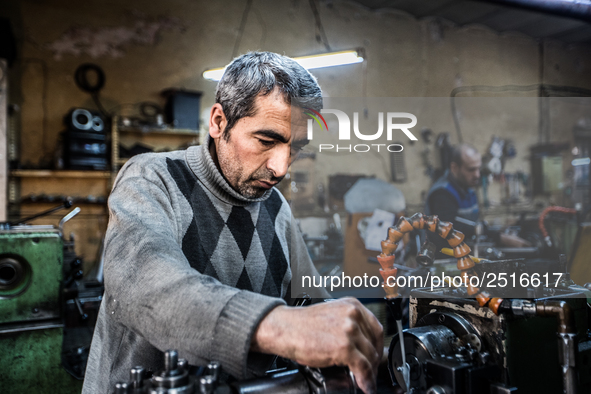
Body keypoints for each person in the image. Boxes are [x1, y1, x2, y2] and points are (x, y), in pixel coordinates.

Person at [82, 52, 383, 394]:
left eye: (296, 147)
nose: (281, 168)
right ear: (219, 122)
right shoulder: (153, 177)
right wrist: (279, 326)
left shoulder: (274, 205)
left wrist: (343, 327)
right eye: (266, 141)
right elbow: (148, 289)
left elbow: (310, 302)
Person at [425, 143, 529, 253]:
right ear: (454, 168)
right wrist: (497, 237)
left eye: (478, 169)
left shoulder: (468, 189)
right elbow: (450, 230)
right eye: (471, 170)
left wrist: (496, 231)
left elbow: (473, 225)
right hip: (446, 262)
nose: (477, 175)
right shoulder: (442, 193)